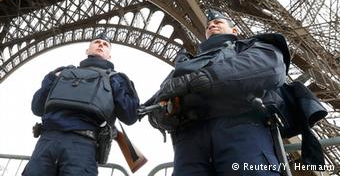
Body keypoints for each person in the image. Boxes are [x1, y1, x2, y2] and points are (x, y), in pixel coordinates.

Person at [144, 9, 290, 176]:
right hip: (189, 143)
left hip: (241, 130)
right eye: (208, 25)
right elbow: (156, 107)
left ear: (234, 31)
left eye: (218, 22)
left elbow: (271, 68)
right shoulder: (184, 66)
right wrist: (162, 115)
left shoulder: (246, 47)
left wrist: (203, 78)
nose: (212, 25)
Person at [22, 33, 140, 176]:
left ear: (109, 55)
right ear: (87, 50)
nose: (101, 44)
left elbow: (129, 115)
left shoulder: (115, 78)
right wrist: (51, 79)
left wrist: (119, 85)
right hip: (50, 141)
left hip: (81, 144)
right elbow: (37, 107)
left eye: (105, 44)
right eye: (97, 41)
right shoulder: (62, 72)